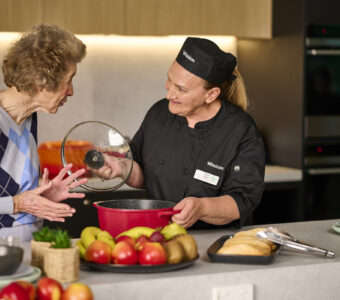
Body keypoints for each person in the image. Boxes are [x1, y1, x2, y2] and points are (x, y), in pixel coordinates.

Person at [97, 37, 265, 229]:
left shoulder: (240, 130)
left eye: (181, 89)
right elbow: (143, 173)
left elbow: (242, 200)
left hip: (215, 242)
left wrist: (201, 207)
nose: (169, 94)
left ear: (211, 95)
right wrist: (122, 168)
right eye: (170, 80)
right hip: (160, 235)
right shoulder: (159, 114)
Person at [0, 24, 88, 241]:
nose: (71, 91)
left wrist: (42, 191)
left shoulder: (28, 117)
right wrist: (19, 204)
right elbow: (16, 201)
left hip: (27, 245)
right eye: (69, 80)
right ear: (41, 82)